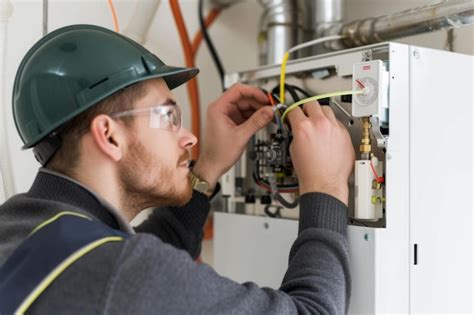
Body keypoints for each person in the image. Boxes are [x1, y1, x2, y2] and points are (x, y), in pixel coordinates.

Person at [0, 24, 354, 314]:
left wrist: (208, 169)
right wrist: (327, 186)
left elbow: (127, 258)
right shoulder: (124, 273)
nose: (189, 137)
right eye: (168, 117)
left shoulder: (17, 225)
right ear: (109, 135)